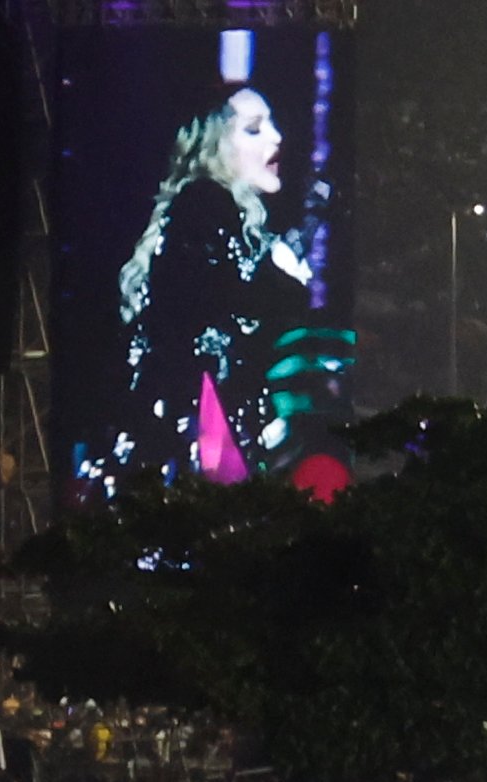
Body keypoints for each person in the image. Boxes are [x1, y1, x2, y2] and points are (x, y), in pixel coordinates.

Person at [100, 87, 326, 492]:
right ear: (215, 146)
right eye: (255, 129)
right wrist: (283, 271)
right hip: (198, 438)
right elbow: (226, 304)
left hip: (207, 433)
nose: (277, 138)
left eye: (273, 125)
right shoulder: (204, 204)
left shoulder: (220, 215)